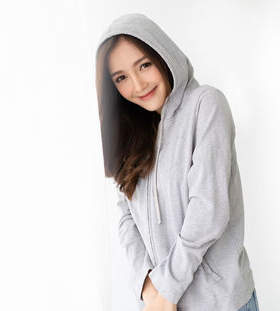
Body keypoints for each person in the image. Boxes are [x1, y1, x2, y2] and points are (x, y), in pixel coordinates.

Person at [95, 13, 260, 311]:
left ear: (163, 54)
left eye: (144, 65)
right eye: (121, 78)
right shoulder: (135, 134)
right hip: (162, 304)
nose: (137, 84)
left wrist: (167, 291)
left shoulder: (206, 105)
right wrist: (147, 286)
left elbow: (208, 211)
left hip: (221, 304)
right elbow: (125, 216)